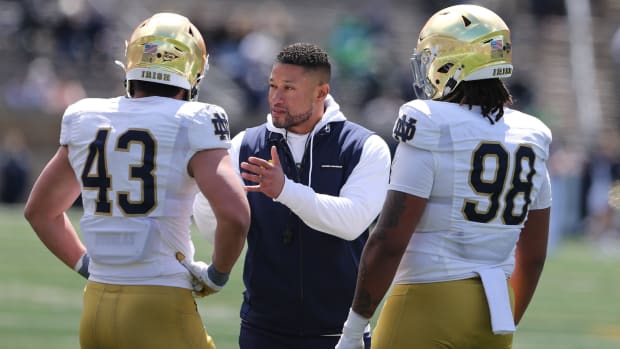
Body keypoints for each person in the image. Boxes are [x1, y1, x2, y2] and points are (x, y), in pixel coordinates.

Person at [23, 12, 250, 349]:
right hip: (160, 305)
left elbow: (41, 211)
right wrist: (217, 275)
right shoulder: (195, 120)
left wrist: (87, 264)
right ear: (194, 70)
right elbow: (235, 215)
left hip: (96, 307)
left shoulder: (87, 116)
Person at [336, 5, 552, 349]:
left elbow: (389, 242)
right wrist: (507, 318)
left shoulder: (430, 121)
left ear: (453, 61)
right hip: (495, 313)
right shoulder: (532, 133)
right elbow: (535, 255)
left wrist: (351, 331)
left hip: (427, 302)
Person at [193, 42, 391, 349]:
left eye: (288, 88)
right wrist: (215, 205)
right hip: (262, 328)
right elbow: (214, 221)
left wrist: (285, 190)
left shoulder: (365, 146)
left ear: (321, 93)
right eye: (272, 85)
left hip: (339, 333)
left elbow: (352, 221)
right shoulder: (245, 143)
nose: (275, 97)